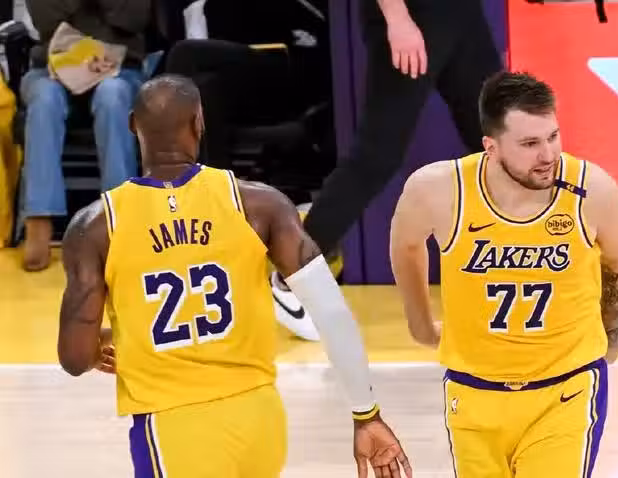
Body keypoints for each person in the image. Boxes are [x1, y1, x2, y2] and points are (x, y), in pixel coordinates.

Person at [57, 74, 412, 478]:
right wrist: (366, 415)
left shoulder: (96, 226)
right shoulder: (259, 205)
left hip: (173, 426)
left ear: (132, 125)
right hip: (259, 420)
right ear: (199, 122)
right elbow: (331, 313)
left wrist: (107, 342)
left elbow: (74, 357)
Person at [389, 71, 618, 477]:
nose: (548, 154)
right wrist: (420, 326)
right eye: (530, 144)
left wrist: (612, 336)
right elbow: (406, 244)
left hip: (566, 389)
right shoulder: (438, 189)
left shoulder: (593, 189)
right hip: (473, 390)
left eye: (553, 136)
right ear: (491, 147)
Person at [271, 0, 503, 341]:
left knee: (498, 141)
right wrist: (398, 19)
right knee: (376, 155)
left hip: (461, 13)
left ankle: (524, 270)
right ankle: (291, 277)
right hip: (415, 14)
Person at [21, 0, 151, 271]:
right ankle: (39, 220)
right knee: (44, 99)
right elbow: (47, 19)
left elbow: (133, 17)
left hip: (120, 67)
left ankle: (117, 218)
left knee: (112, 95)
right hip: (52, 66)